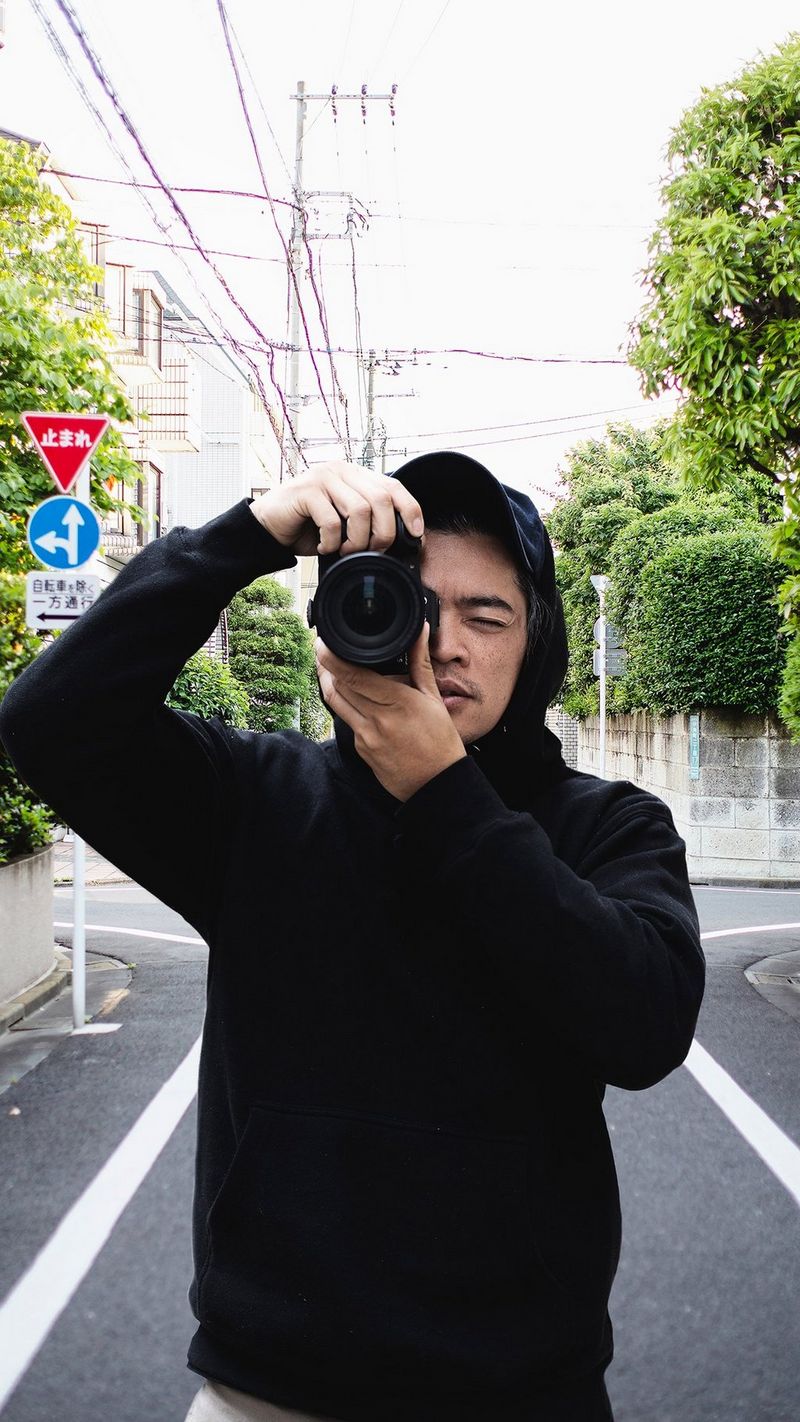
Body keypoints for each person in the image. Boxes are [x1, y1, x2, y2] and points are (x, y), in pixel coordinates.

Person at [0, 451, 705, 1422]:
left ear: (534, 640)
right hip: (269, 1392)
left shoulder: (606, 828)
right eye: (410, 605)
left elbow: (644, 1026)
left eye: (485, 615)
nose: (443, 643)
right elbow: (47, 722)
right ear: (343, 618)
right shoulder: (256, 801)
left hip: (521, 1392)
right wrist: (243, 537)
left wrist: (444, 795)